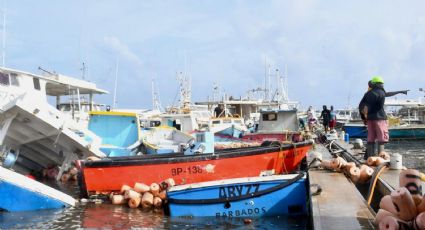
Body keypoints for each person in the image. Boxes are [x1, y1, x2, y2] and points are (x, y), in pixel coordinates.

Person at [358, 76, 390, 160]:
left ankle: (370, 158)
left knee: (371, 137)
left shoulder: (368, 93)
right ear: (381, 84)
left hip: (370, 119)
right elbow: (380, 106)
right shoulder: (381, 93)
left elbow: (361, 106)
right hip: (380, 118)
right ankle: (381, 158)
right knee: (381, 138)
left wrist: (364, 118)